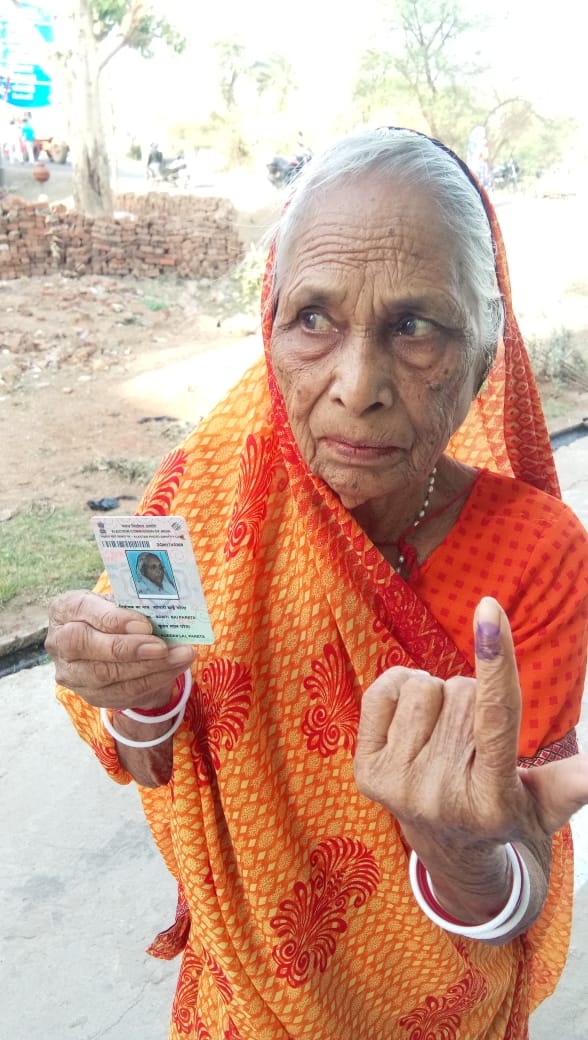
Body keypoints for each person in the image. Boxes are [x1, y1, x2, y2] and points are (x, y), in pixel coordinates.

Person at [46, 127, 588, 1040]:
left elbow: (519, 879)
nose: (358, 383)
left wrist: (461, 848)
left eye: (415, 326)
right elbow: (152, 754)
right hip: (242, 1011)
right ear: (270, 327)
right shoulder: (210, 495)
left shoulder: (536, 556)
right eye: (315, 320)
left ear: (485, 359)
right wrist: (135, 694)